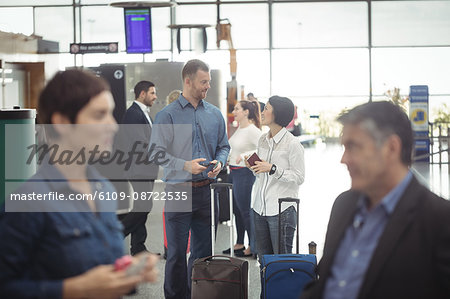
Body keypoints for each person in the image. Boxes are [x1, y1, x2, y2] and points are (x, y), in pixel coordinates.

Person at [0, 69, 158, 299]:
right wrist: (73, 290)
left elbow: (99, 269)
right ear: (62, 122)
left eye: (111, 114)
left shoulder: (103, 189)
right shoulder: (29, 202)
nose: (113, 126)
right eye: (99, 115)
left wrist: (128, 270)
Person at [301, 101, 450, 299]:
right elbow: (327, 281)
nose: (343, 159)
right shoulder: (343, 205)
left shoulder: (439, 221)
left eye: (353, 147)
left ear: (391, 148)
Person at [151, 59, 230, 299]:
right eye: (203, 82)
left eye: (209, 82)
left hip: (206, 192)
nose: (207, 86)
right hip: (178, 190)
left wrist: (220, 162)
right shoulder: (168, 116)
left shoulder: (215, 115)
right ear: (188, 81)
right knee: (175, 254)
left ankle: (198, 295)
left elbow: (223, 147)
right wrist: (184, 165)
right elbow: (155, 153)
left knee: (203, 253)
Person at [246, 96, 305, 257]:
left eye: (266, 108)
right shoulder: (262, 140)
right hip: (259, 208)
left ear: (277, 113)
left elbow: (299, 177)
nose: (262, 112)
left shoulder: (292, 144)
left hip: (282, 210)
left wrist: (273, 169)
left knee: (281, 263)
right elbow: (260, 173)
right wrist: (253, 166)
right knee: (264, 262)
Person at [117, 80, 159, 256]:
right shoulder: (133, 114)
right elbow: (140, 143)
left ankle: (138, 248)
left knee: (143, 206)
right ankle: (116, 235)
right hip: (139, 168)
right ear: (142, 94)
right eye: (152, 93)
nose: (155, 97)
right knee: (143, 206)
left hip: (146, 168)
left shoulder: (143, 113)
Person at [222, 100, 262, 257]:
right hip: (233, 172)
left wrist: (244, 155)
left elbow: (264, 149)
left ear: (246, 112)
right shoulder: (239, 129)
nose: (234, 111)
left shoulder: (253, 130)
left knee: (245, 210)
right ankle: (239, 243)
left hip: (244, 173)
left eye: (237, 109)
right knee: (236, 210)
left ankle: (253, 246)